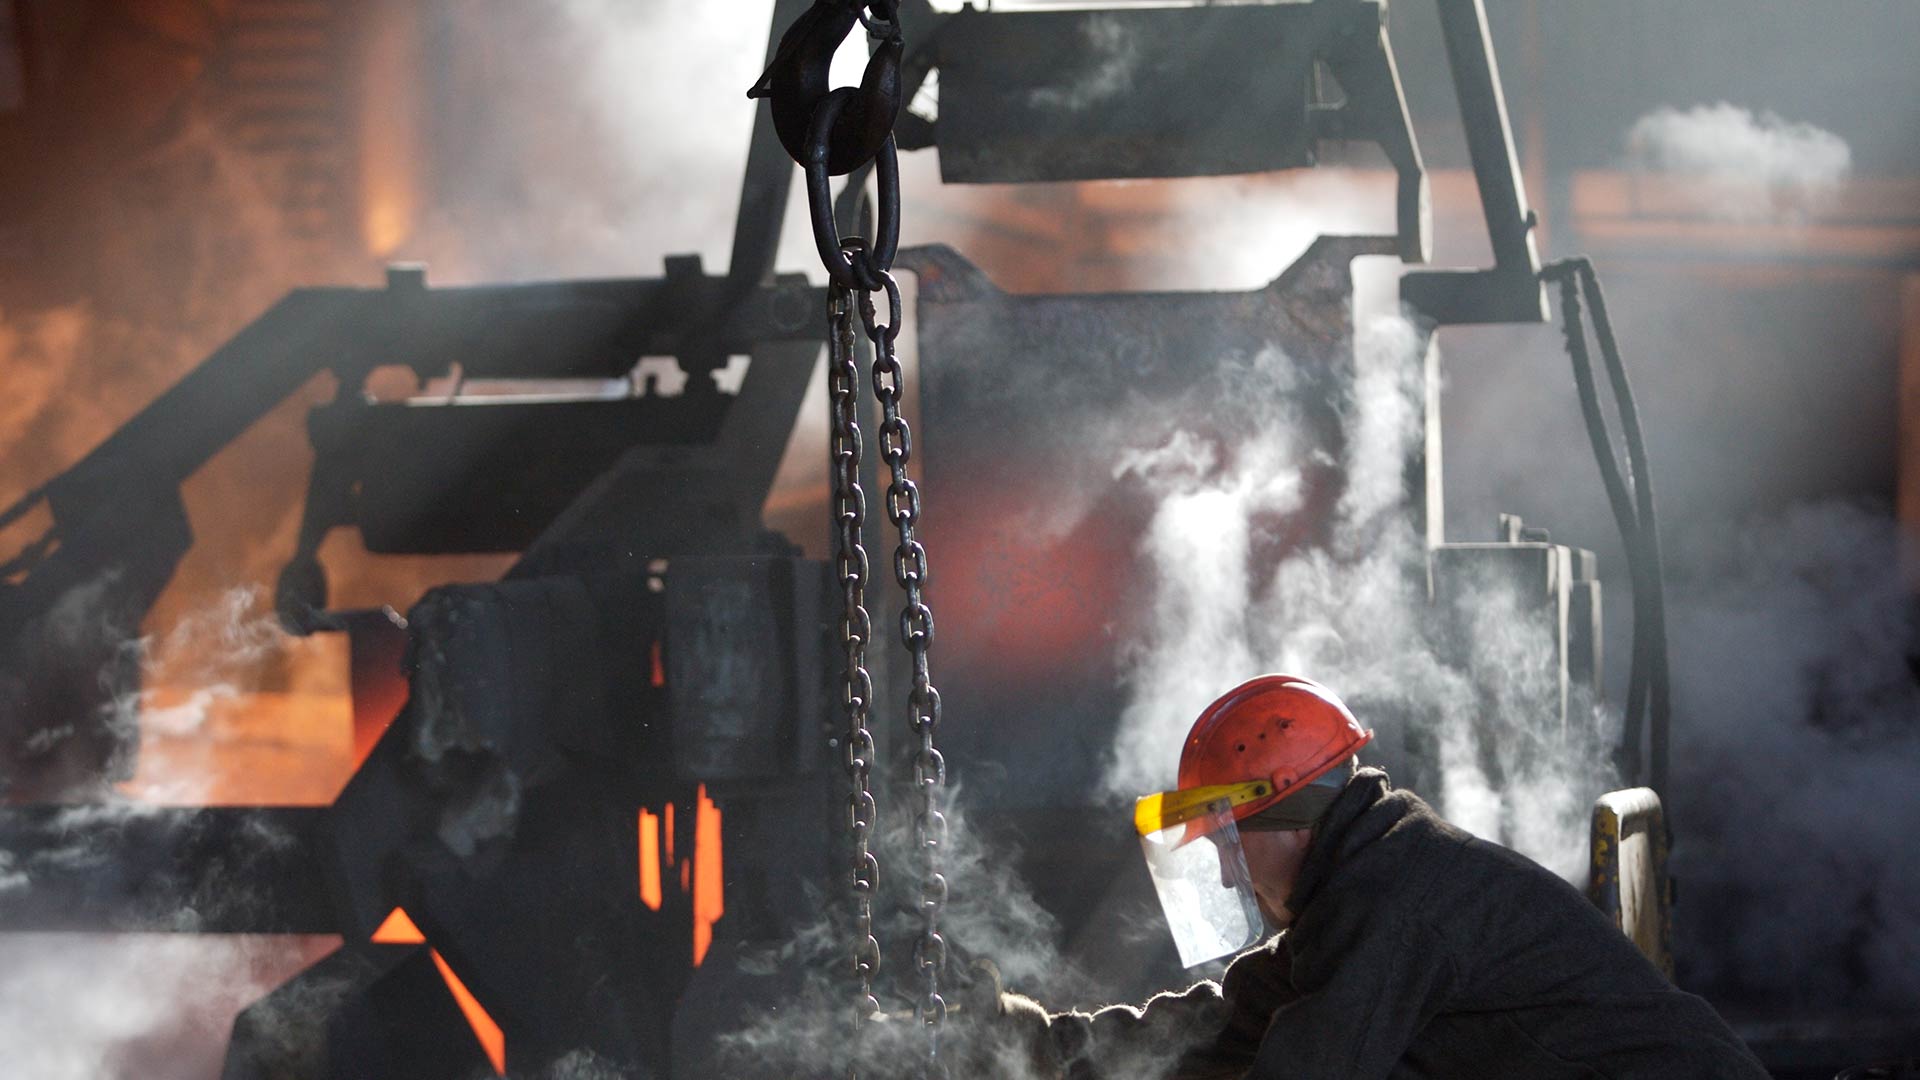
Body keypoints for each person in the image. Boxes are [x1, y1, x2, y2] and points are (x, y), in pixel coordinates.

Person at [992, 674, 1771, 1079]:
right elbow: (1221, 1028)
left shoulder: (1393, 906)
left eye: (1227, 841)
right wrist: (1035, 1047)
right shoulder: (1362, 883)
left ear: (1284, 821)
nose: (1227, 867)